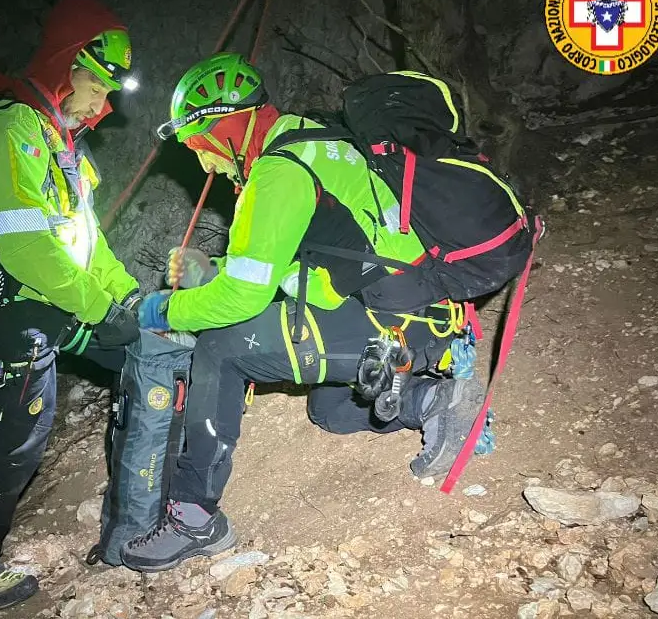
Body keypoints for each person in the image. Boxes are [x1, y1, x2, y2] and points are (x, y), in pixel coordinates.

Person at [120, 52, 488, 572]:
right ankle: (436, 399)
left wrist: (162, 309)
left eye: (199, 146)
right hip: (420, 313)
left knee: (221, 346)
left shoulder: (276, 171)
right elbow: (302, 257)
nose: (203, 163)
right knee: (332, 410)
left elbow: (244, 298)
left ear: (223, 127)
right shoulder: (314, 140)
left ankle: (193, 516)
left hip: (389, 322)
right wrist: (213, 267)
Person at [0, 0, 143, 610]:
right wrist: (99, 311)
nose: (104, 106)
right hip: (8, 319)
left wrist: (125, 295)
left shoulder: (56, 145)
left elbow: (85, 242)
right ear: (67, 64)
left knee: (120, 371)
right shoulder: (8, 130)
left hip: (45, 313)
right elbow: (27, 252)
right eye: (99, 88)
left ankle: (131, 514)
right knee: (14, 443)